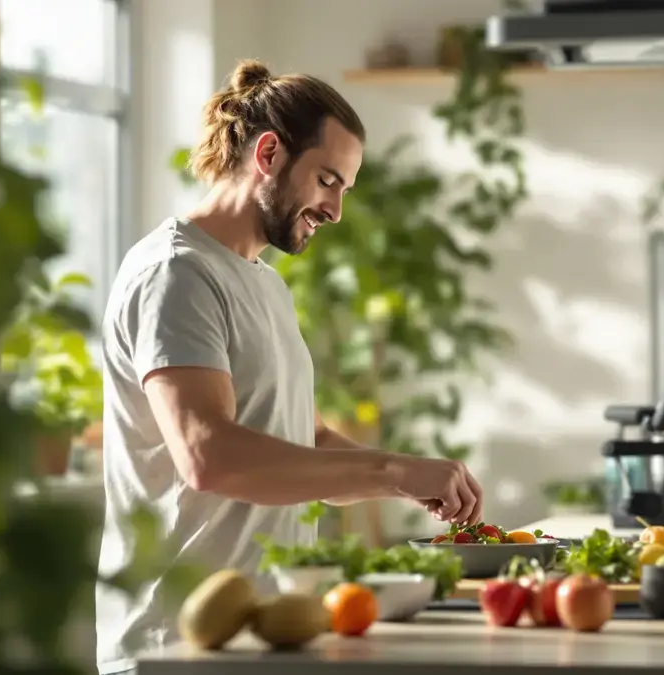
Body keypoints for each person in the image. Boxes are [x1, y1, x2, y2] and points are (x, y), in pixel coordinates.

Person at [94, 59, 485, 675]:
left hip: (265, 637)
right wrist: (390, 468)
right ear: (269, 152)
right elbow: (208, 456)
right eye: (327, 180)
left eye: (344, 191)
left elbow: (303, 439)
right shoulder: (176, 274)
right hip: (177, 647)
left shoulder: (265, 285)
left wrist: (405, 478)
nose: (334, 210)